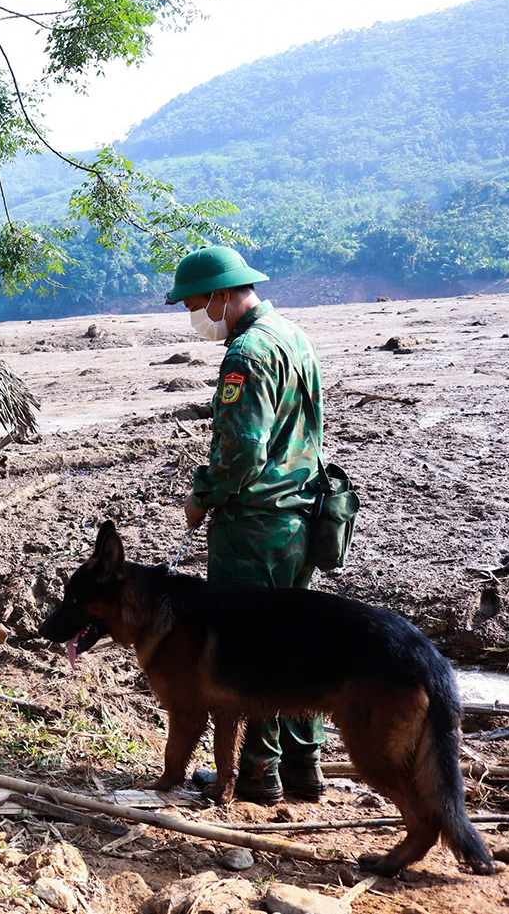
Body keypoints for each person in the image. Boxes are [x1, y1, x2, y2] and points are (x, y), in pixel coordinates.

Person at [166, 245, 326, 804]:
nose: (196, 317)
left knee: (252, 652)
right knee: (297, 646)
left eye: (195, 304)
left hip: (253, 526)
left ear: (221, 295)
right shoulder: (295, 337)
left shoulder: (247, 354)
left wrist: (201, 498)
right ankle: (305, 769)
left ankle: (258, 774)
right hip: (302, 521)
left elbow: (240, 452)